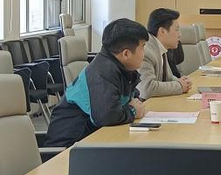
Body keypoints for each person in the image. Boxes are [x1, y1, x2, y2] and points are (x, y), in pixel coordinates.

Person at [44, 18, 148, 147]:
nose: (144, 53)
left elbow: (128, 98)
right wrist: (132, 110)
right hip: (69, 148)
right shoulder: (103, 72)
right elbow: (107, 116)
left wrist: (133, 105)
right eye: (143, 47)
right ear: (126, 53)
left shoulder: (121, 70)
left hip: (90, 141)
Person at [138, 8, 192, 99]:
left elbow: (167, 77)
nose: (180, 34)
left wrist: (180, 81)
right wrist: (179, 86)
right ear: (162, 31)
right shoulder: (146, 51)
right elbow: (147, 89)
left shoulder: (159, 47)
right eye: (177, 30)